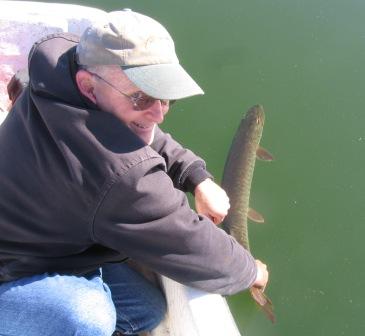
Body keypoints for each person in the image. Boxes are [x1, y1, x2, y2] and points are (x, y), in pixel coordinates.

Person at [0, 9, 269, 336]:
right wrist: (250, 271)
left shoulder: (57, 71)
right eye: (141, 96)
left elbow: (144, 131)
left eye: (165, 97)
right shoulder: (119, 176)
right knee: (88, 316)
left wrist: (196, 176)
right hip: (11, 272)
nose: (158, 114)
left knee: (147, 311)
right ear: (88, 85)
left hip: (37, 242)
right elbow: (189, 242)